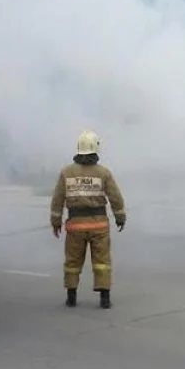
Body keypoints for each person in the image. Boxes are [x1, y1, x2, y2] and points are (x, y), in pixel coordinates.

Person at [49, 129, 126, 308]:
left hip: (75, 226)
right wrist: (120, 217)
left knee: (73, 261)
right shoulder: (104, 173)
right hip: (99, 225)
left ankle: (71, 296)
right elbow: (115, 197)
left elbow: (57, 199)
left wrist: (55, 222)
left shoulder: (66, 172)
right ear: (96, 149)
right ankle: (105, 298)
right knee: (102, 262)